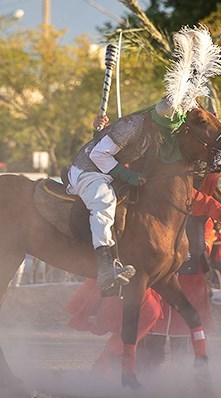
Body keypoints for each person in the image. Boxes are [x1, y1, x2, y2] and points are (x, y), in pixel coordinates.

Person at [66, 97, 187, 294]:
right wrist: (126, 174)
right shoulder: (131, 126)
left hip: (109, 174)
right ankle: (105, 267)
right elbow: (98, 154)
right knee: (104, 202)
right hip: (88, 170)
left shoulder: (156, 135)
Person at [140, 174, 221, 368]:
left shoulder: (206, 203)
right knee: (153, 328)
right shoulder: (166, 191)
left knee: (184, 329)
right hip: (161, 270)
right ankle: (145, 372)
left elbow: (209, 233)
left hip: (190, 271)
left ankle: (183, 375)